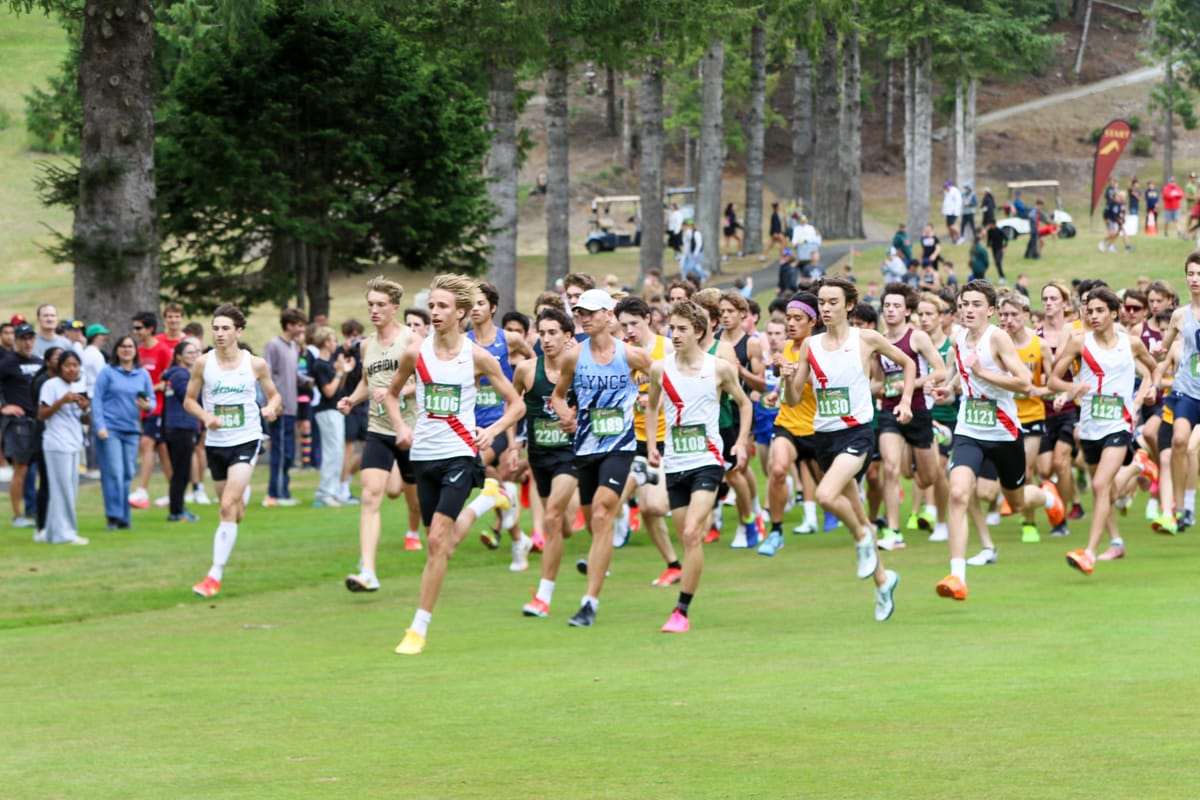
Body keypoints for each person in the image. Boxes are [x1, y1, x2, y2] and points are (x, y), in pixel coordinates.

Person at [391, 274, 526, 655]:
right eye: (431, 305)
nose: (434, 312)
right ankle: (489, 500)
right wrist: (401, 426)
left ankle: (417, 628)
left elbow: (515, 403)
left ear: (461, 313)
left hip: (461, 453)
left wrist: (494, 430)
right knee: (444, 546)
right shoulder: (415, 353)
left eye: (442, 306)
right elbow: (390, 393)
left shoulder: (477, 356)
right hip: (425, 455)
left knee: (435, 542)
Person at [929, 281, 1066, 602]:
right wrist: (948, 391)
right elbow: (959, 377)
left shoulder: (998, 337)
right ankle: (957, 576)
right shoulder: (958, 337)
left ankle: (1048, 498)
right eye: (964, 304)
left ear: (990, 310)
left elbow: (1023, 383)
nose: (968, 310)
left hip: (1004, 433)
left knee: (1016, 502)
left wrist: (984, 374)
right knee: (959, 492)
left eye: (976, 304)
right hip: (969, 430)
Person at [786, 277, 903, 622]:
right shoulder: (810, 346)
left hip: (858, 433)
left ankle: (863, 538)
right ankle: (884, 582)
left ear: (849, 306)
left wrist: (906, 399)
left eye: (833, 302)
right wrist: (785, 377)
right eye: (822, 302)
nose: (826, 308)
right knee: (857, 509)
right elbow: (793, 399)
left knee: (825, 495)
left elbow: (907, 364)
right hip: (824, 436)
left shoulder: (865, 338)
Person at [645, 299, 752, 632]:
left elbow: (745, 403)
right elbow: (651, 408)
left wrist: (740, 442)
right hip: (675, 463)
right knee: (688, 540)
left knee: (693, 533)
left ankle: (681, 611)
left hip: (708, 461)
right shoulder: (660, 368)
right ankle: (684, 604)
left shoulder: (718, 367)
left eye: (682, 329)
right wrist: (651, 444)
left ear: (699, 332)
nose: (674, 335)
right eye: (671, 328)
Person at [551, 288, 653, 628]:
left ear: (609, 316)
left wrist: (647, 399)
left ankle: (589, 602)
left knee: (601, 513)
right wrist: (565, 414)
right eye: (580, 312)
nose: (584, 317)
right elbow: (558, 396)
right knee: (596, 525)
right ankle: (600, 564)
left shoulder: (632, 355)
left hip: (620, 445)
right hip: (585, 448)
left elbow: (661, 382)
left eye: (591, 312)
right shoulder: (573, 356)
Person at [1051, 287, 1157, 576]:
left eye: (1100, 310)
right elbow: (1052, 379)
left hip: (1119, 423)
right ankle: (1117, 539)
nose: (1093, 315)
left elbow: (1152, 369)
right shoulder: (1079, 343)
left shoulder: (1131, 343)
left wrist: (1143, 395)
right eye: (1090, 310)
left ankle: (1089, 553)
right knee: (1105, 492)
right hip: (1090, 426)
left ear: (1113, 313)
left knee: (1099, 486)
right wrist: (1072, 388)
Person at [185, 304, 283, 598]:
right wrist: (206, 417)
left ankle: (213, 575)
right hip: (216, 444)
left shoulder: (255, 364)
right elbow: (189, 401)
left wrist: (270, 408)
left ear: (239, 332)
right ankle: (243, 493)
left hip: (246, 439)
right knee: (234, 512)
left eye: (225, 328)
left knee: (226, 507)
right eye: (215, 328)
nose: (219, 333)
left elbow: (275, 394)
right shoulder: (203, 364)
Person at [338, 277, 416, 592]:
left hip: (412, 431)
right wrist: (352, 399)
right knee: (371, 495)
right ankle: (368, 570)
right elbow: (367, 381)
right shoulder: (366, 345)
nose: (374, 310)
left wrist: (398, 391)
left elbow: (425, 381)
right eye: (371, 304)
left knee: (421, 500)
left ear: (394, 307)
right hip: (379, 429)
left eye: (381, 305)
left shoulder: (412, 339)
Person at [514, 307, 579, 618]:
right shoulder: (527, 370)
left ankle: (543, 596)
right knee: (561, 526)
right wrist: (514, 444)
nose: (547, 339)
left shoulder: (580, 368)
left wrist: (578, 422)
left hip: (570, 453)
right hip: (539, 455)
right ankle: (568, 523)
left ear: (568, 337)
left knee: (551, 516)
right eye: (542, 333)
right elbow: (512, 405)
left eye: (553, 332)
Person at [874, 283, 948, 551]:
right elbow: (876, 382)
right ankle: (893, 531)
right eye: (887, 306)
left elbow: (939, 371)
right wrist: (874, 389)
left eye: (896, 306)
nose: (891, 310)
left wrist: (910, 385)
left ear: (907, 311)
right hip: (889, 412)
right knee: (891, 468)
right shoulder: (878, 341)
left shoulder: (917, 338)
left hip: (918, 411)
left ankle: (936, 436)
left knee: (926, 477)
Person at [91, 335, 153, 531]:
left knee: (127, 474)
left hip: (132, 430)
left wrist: (148, 405)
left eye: (130, 346)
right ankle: (113, 516)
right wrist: (99, 425)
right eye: (123, 346)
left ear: (135, 351)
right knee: (114, 473)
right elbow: (97, 401)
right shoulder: (107, 373)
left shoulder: (142, 374)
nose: (127, 350)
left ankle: (125, 517)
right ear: (116, 350)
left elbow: (152, 401)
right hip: (110, 430)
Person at [37, 350, 89, 545]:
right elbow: (41, 415)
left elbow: (85, 419)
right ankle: (66, 534)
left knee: (70, 488)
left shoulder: (78, 386)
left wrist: (85, 408)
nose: (72, 369)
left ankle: (51, 532)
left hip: (74, 441)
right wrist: (61, 401)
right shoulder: (51, 386)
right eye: (68, 365)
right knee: (62, 489)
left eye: (75, 365)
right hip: (56, 443)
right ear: (60, 367)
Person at [262, 307, 308, 506]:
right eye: (299, 325)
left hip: (292, 408)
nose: (301, 329)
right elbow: (267, 376)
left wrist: (309, 380)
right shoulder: (273, 345)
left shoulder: (292, 347)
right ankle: (275, 494)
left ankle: (284, 491)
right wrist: (273, 403)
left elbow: (293, 374)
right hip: (279, 409)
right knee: (280, 453)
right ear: (289, 325)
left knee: (289, 453)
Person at [129, 311, 174, 510]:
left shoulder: (163, 351)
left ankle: (142, 492)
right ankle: (176, 492)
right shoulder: (138, 352)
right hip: (143, 409)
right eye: (134, 328)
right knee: (161, 450)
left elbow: (169, 381)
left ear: (150, 329)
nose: (135, 332)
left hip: (159, 408)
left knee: (146, 444)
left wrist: (150, 389)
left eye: (139, 328)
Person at [0, 323, 43, 528]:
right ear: (16, 340)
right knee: (21, 469)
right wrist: (3, 407)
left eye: (30, 338)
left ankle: (36, 509)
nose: (28, 343)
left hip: (39, 421)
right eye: (23, 338)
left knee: (40, 469)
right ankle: (18, 515)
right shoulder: (7, 363)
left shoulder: (39, 362)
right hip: (19, 423)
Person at [162, 339, 203, 522]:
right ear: (179, 356)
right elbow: (189, 398)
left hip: (180, 426)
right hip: (181, 426)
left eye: (196, 352)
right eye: (189, 352)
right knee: (181, 472)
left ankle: (178, 508)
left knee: (181, 471)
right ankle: (176, 510)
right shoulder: (180, 375)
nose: (194, 356)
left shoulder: (179, 374)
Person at [310, 326, 350, 509]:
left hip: (334, 410)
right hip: (326, 411)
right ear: (326, 342)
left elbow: (338, 388)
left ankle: (332, 492)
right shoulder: (319, 365)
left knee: (338, 452)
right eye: (333, 340)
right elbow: (328, 391)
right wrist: (340, 372)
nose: (336, 344)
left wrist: (343, 371)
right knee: (332, 452)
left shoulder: (329, 364)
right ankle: (324, 492)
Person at [681, 219, 707, 285]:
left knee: (693, 267)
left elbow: (699, 244)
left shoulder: (696, 233)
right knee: (693, 267)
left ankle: (704, 274)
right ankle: (702, 276)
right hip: (691, 253)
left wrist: (695, 253)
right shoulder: (689, 233)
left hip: (697, 253)